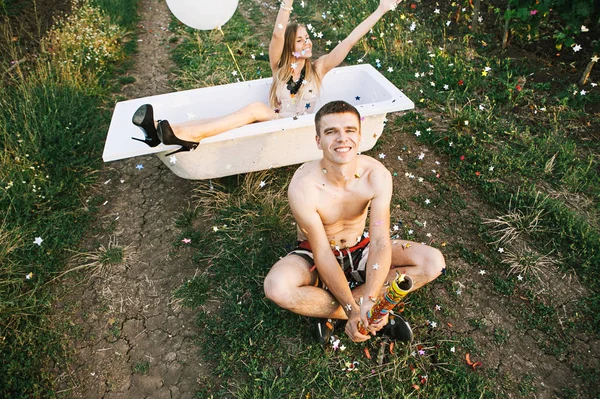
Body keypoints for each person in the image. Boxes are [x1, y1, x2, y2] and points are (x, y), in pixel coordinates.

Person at [263, 101, 445, 344]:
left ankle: (337, 312)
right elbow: (323, 254)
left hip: (362, 248)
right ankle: (370, 314)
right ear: (318, 141)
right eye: (331, 132)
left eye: (349, 130)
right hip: (316, 254)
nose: (342, 139)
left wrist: (369, 297)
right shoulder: (304, 186)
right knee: (277, 287)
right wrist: (351, 309)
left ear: (360, 136)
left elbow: (380, 241)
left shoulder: (376, 175)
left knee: (433, 262)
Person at [131, 0, 403, 155]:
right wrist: (287, 4)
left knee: (254, 109)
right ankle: (162, 130)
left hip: (302, 126)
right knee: (229, 117)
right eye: (300, 39)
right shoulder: (280, 68)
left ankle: (176, 134)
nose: (307, 42)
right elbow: (276, 35)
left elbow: (350, 41)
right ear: (289, 46)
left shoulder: (318, 69)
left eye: (308, 38)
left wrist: (381, 9)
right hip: (275, 122)